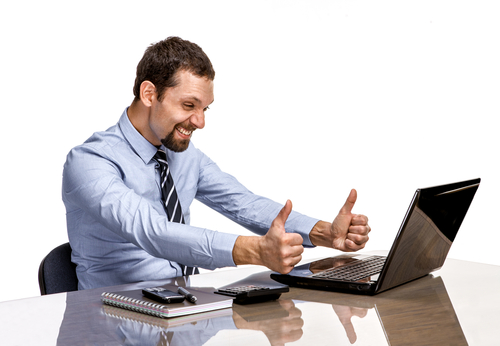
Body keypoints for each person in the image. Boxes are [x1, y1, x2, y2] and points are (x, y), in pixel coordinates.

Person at [62, 36, 371, 290]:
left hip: (182, 308)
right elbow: (153, 231)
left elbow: (244, 204)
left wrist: (322, 232)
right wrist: (255, 251)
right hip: (109, 320)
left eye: (205, 109)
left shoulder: (183, 156)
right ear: (149, 93)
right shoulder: (89, 163)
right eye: (188, 105)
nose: (199, 121)